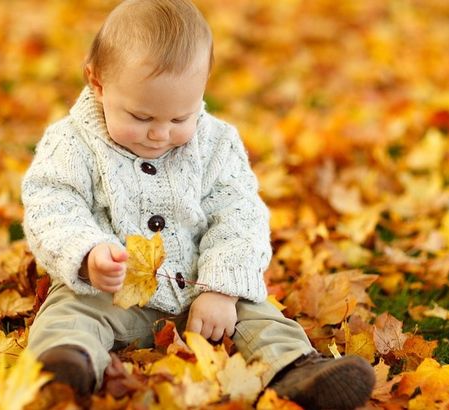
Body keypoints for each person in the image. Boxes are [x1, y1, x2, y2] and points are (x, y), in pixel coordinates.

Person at [21, 0, 375, 408]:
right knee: (68, 312)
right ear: (97, 82)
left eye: (178, 119)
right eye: (140, 116)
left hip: (200, 292)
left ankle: (298, 369)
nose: (158, 134)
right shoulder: (71, 142)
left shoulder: (216, 144)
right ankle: (66, 365)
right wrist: (86, 254)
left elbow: (239, 215)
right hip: (111, 293)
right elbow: (52, 203)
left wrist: (221, 288)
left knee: (259, 314)